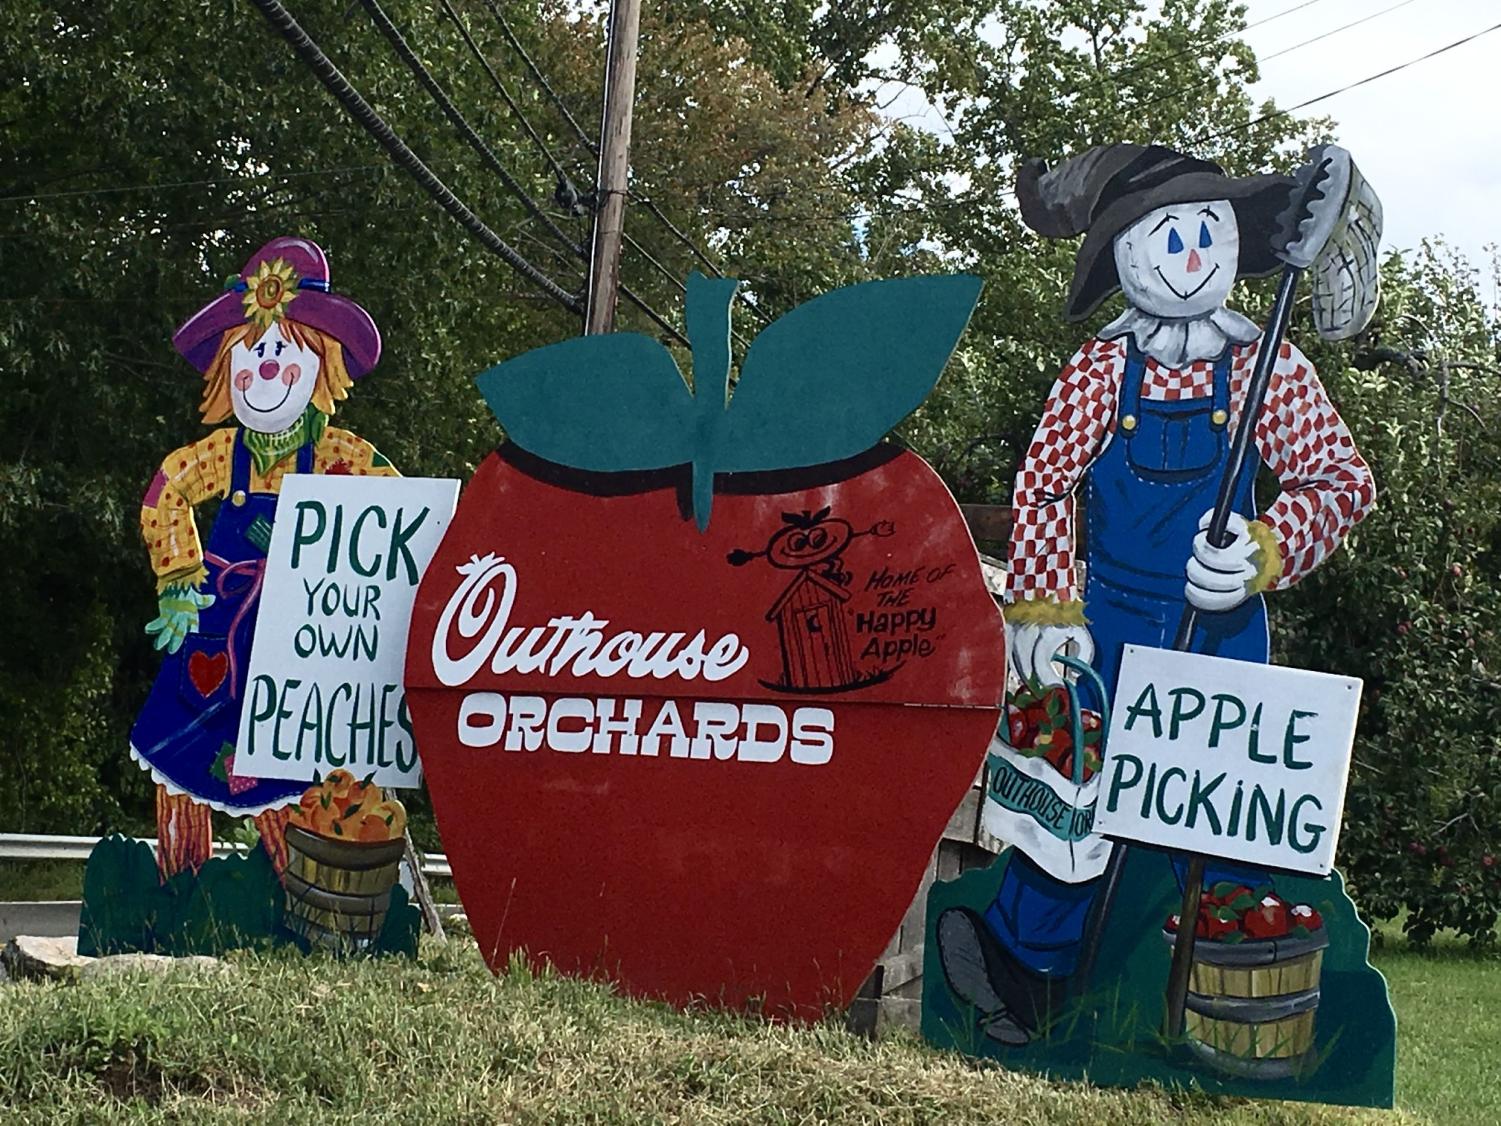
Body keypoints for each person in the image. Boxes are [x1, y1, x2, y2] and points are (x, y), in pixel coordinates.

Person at [937, 143, 1376, 1043]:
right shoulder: (1097, 371)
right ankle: (1028, 974)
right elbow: (1045, 484)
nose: (1186, 256)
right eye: (1164, 237)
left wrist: (1262, 550)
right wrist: (1046, 608)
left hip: (1222, 635)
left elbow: (1340, 480)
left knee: (1209, 812)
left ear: (1231, 245)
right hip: (1107, 624)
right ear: (1123, 257)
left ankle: (1191, 1001)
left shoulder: (1268, 368)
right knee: (1071, 788)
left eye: (1203, 233)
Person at [130, 237, 398, 879]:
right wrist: (179, 576)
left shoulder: (343, 455)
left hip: (298, 644)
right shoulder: (223, 454)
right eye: (252, 353)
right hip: (216, 626)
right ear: (225, 372)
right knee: (175, 758)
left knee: (290, 768)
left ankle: (293, 884)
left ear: (322, 368)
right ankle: (179, 883)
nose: (267, 367)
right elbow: (168, 487)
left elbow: (397, 518)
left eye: (284, 351)